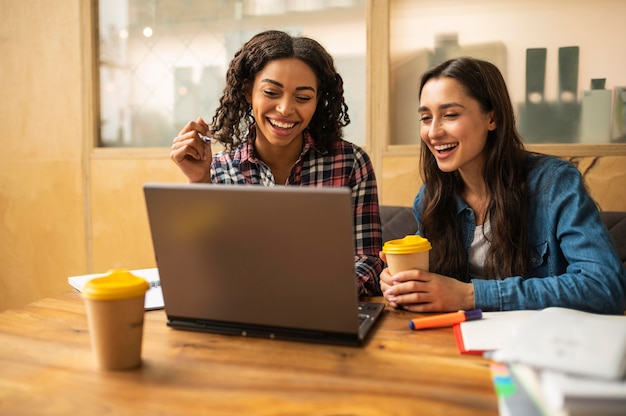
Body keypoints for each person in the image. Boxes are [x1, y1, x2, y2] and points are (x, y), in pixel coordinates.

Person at [380, 57, 626, 314]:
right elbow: (433, 284)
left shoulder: (554, 184)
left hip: (540, 344)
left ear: (492, 118)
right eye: (425, 117)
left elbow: (605, 286)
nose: (433, 132)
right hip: (452, 343)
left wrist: (470, 295)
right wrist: (399, 283)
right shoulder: (433, 196)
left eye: (450, 115)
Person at [170, 30, 383, 296]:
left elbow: (368, 260)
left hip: (324, 309)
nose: (284, 109)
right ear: (248, 91)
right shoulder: (218, 168)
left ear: (318, 101)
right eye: (271, 92)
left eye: (303, 97)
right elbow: (201, 268)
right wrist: (198, 181)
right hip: (241, 313)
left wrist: (322, 294)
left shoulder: (350, 164)